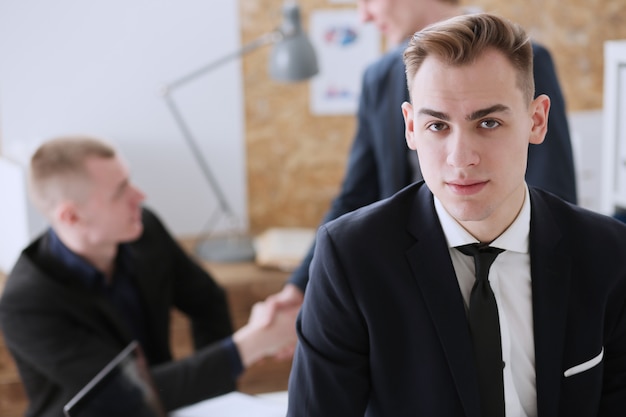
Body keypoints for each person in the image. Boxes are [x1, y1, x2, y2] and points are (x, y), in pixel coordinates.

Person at [287, 13, 626, 416]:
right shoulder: (351, 259)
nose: (460, 158)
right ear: (411, 127)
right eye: (437, 126)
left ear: (536, 120)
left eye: (488, 122)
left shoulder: (609, 253)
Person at [265, 0, 578, 328]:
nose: (364, 15)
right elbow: (356, 195)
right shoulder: (379, 78)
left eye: (369, 0)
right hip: (410, 292)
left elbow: (552, 189)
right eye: (437, 126)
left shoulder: (522, 61)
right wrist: (301, 285)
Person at [0, 136, 298, 417]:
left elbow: (208, 301)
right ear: (71, 217)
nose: (140, 196)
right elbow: (125, 394)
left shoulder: (145, 230)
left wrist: (219, 396)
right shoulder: (25, 304)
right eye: (120, 191)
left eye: (129, 180)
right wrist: (251, 345)